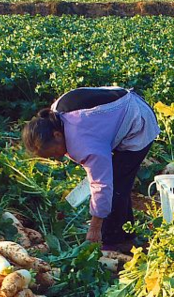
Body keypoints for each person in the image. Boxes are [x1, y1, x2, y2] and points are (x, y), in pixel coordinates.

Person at [22, 86, 159, 252]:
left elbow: (102, 185)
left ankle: (113, 243)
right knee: (117, 182)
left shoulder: (83, 143)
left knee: (116, 185)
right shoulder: (54, 115)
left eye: (53, 154)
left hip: (138, 124)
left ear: (57, 136)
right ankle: (127, 236)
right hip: (118, 111)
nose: (57, 158)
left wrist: (95, 228)